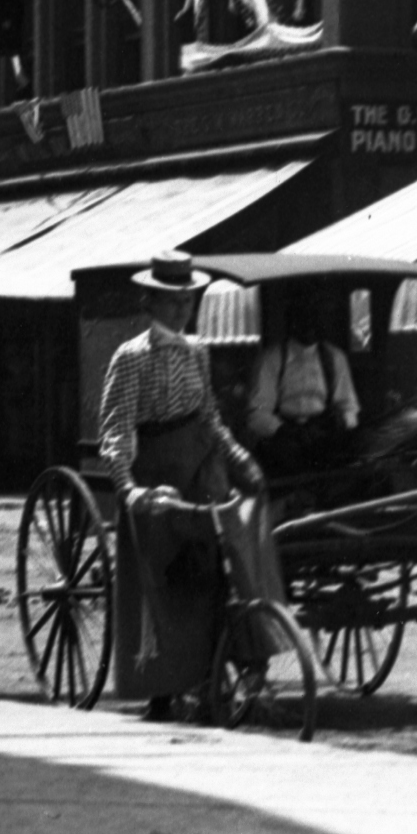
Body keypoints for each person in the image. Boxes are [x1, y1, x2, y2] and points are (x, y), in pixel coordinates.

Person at [99, 263, 287, 716]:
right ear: (150, 302)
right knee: (167, 577)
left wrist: (241, 458)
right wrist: (128, 487)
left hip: (203, 467)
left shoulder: (198, 351)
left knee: (224, 559)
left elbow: (210, 418)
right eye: (173, 301)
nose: (183, 309)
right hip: (156, 471)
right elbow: (118, 429)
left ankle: (235, 668)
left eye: (188, 301)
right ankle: (164, 686)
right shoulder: (130, 356)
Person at [245, 289, 362, 477]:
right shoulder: (271, 358)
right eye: (303, 317)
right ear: (291, 321)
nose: (310, 325)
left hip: (324, 438)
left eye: (315, 318)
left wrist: (340, 421)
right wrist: (286, 431)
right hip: (284, 440)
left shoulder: (334, 358)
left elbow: (350, 409)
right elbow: (256, 415)